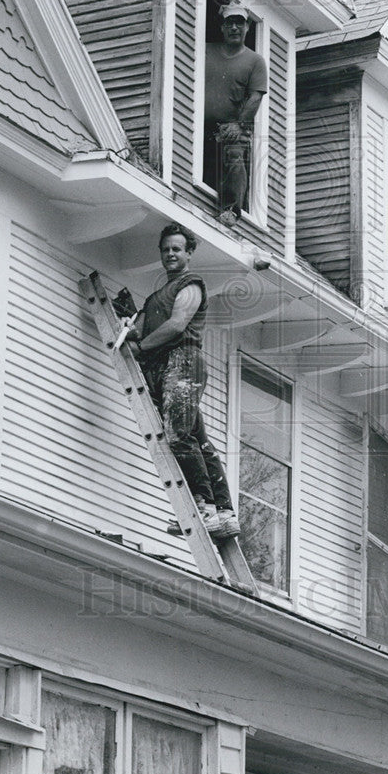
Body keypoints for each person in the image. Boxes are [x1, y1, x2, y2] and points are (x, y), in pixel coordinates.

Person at [125, 223, 240, 540]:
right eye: (166, 249)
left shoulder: (191, 285)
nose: (170, 254)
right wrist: (129, 325)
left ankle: (204, 505)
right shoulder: (153, 298)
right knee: (197, 440)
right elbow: (138, 330)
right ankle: (225, 512)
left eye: (177, 248)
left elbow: (176, 325)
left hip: (183, 361)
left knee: (177, 436)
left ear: (188, 253)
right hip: (164, 369)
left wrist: (143, 346)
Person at [204, 3, 267, 226]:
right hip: (202, 125)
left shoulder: (255, 61)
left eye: (239, 23)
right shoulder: (206, 51)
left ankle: (231, 210)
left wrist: (239, 125)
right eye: (229, 23)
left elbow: (255, 97)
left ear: (247, 27)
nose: (234, 27)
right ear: (222, 27)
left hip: (231, 127)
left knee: (234, 156)